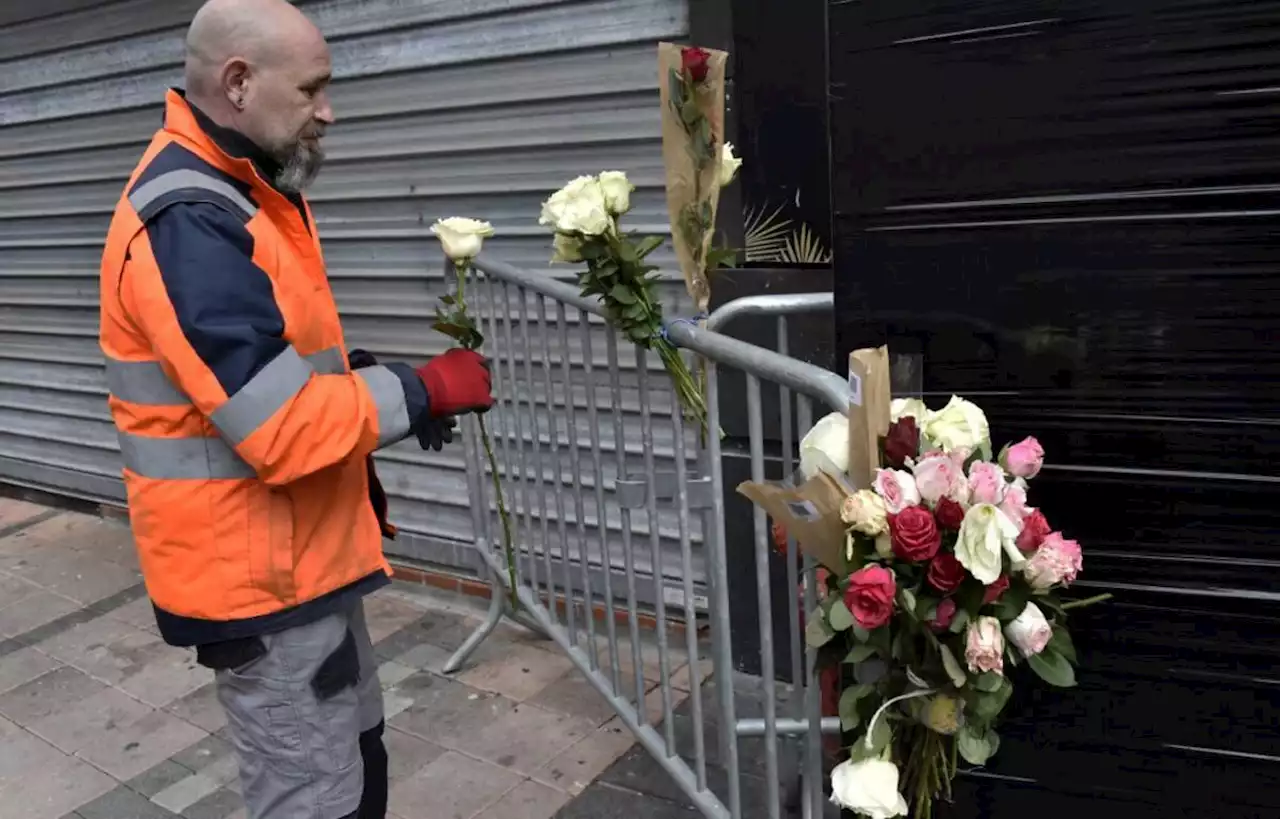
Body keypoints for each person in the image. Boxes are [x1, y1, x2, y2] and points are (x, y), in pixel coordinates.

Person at [97, 1, 494, 816]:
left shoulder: (241, 185)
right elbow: (277, 424)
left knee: (355, 765)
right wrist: (425, 389)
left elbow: (267, 361)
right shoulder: (190, 220)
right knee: (315, 799)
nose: (327, 110)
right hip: (260, 586)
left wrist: (364, 379)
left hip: (300, 558)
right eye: (313, 88)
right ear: (238, 83)